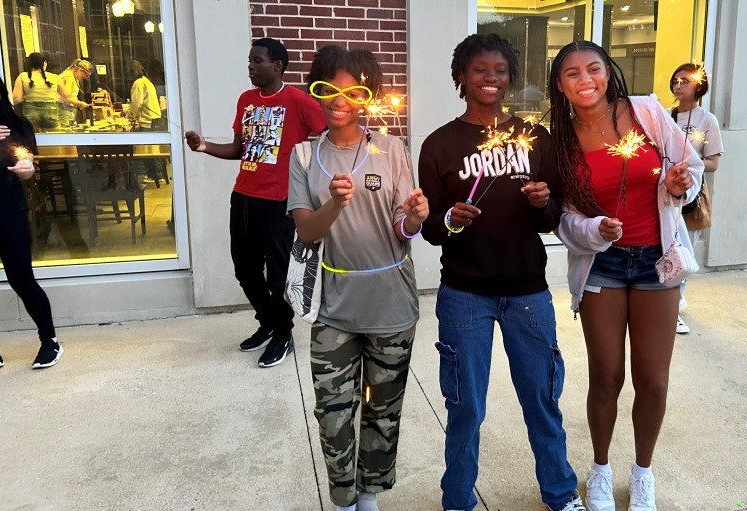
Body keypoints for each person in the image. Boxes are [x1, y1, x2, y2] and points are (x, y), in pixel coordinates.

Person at [418, 33, 584, 511]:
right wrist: (449, 219)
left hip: (528, 291)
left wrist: (541, 204)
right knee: (466, 407)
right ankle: (457, 500)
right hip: (465, 294)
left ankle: (559, 493)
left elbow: (551, 218)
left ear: (510, 77)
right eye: (479, 70)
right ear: (460, 77)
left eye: (499, 70)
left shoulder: (536, 139)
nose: (490, 78)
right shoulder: (440, 145)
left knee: (542, 402)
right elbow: (429, 229)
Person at [548, 41, 702, 511]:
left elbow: (688, 169)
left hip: (657, 262)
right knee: (606, 376)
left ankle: (642, 473)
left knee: (652, 379)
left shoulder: (647, 114)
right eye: (571, 73)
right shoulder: (560, 140)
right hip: (605, 265)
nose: (585, 79)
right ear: (560, 85)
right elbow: (565, 219)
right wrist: (596, 228)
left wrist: (680, 184)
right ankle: (599, 468)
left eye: (592, 68)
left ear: (607, 72)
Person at [288, 45, 428, 511]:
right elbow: (306, 230)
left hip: (391, 305)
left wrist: (415, 216)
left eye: (352, 90)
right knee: (332, 413)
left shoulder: (391, 149)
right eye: (328, 88)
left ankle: (369, 498)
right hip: (334, 308)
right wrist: (334, 203)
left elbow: (402, 228)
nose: (339, 99)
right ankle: (344, 500)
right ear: (318, 91)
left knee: (382, 412)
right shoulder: (305, 155)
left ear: (369, 95)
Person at [184, 38, 326, 367]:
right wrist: (205, 146)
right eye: (250, 61)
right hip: (244, 198)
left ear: (277, 66)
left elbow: (328, 139)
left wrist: (312, 181)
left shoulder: (299, 101)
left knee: (278, 276)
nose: (251, 66)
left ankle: (283, 334)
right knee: (245, 270)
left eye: (257, 61)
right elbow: (240, 150)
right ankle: (269, 323)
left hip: (279, 203)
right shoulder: (246, 101)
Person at [0, 75, 63, 370]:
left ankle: (49, 340)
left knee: (22, 278)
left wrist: (26, 170)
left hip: (8, 209)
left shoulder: (18, 126)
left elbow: (27, 168)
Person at [669, 63, 723, 335]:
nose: (679, 86)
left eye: (685, 81)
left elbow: (713, 162)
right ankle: (672, 303)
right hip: (667, 197)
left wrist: (690, 163)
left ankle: (676, 306)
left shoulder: (706, 120)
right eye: (676, 81)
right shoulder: (666, 116)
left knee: (684, 254)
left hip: (691, 199)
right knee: (668, 250)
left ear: (698, 86)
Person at [11, 53, 60, 131]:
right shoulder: (55, 77)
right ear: (44, 63)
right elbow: (66, 95)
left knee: (33, 138)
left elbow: (16, 98)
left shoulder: (22, 76)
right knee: (56, 138)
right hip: (50, 110)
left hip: (30, 110)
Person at [57, 59, 93, 126]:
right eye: (86, 75)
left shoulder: (73, 76)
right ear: (80, 70)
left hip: (68, 109)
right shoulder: (68, 77)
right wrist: (80, 103)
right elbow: (66, 98)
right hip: (64, 109)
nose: (85, 78)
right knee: (66, 132)